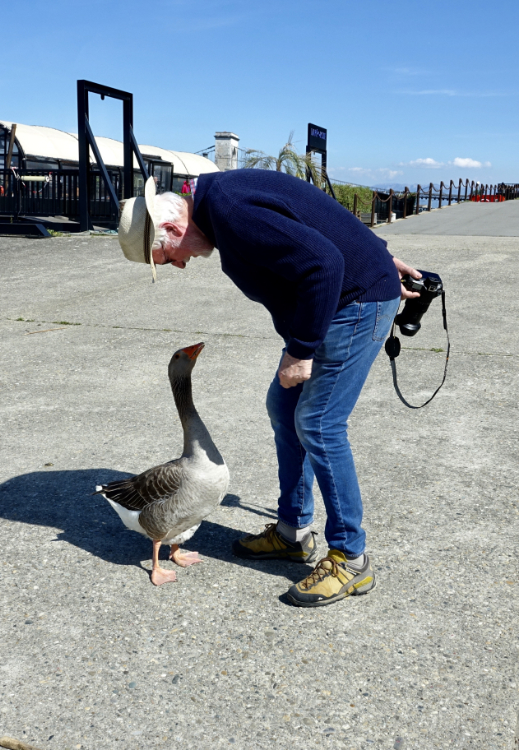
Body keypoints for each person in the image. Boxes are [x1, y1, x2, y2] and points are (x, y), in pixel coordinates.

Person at [117, 171, 421, 607]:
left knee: (318, 423)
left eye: (167, 259)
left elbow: (325, 264)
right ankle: (293, 532)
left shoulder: (230, 209)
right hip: (347, 296)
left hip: (353, 306)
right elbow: (312, 214)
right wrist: (371, 253)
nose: (181, 266)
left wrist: (300, 350)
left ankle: (350, 559)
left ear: (172, 229)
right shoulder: (221, 204)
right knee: (284, 407)